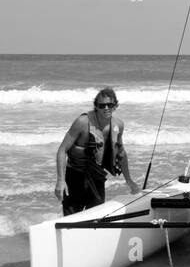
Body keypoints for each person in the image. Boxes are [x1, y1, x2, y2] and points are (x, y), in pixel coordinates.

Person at [54, 87, 140, 215]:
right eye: (102, 105)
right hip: (75, 177)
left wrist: (129, 180)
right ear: (96, 107)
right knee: (72, 219)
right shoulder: (83, 122)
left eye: (109, 105)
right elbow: (62, 150)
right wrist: (61, 181)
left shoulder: (118, 125)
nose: (106, 108)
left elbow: (121, 153)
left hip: (96, 178)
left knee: (95, 217)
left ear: (115, 106)